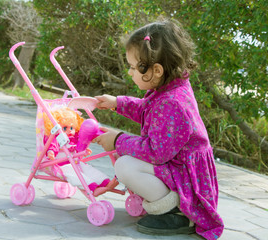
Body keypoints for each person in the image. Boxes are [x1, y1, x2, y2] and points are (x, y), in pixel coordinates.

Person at [92, 18, 224, 239]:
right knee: (127, 159)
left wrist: (118, 140)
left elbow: (155, 152)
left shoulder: (172, 102)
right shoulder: (169, 89)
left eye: (134, 67)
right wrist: (117, 102)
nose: (130, 72)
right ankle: (171, 202)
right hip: (180, 167)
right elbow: (147, 110)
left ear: (157, 70)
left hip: (186, 179)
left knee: (125, 165)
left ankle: (177, 211)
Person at [43, 107, 118, 197]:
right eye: (65, 128)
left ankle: (105, 182)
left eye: (71, 127)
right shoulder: (57, 138)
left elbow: (78, 148)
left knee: (89, 169)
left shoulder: (74, 140)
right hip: (62, 166)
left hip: (76, 163)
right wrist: (51, 152)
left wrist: (83, 150)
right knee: (75, 175)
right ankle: (93, 189)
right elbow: (52, 145)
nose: (69, 130)